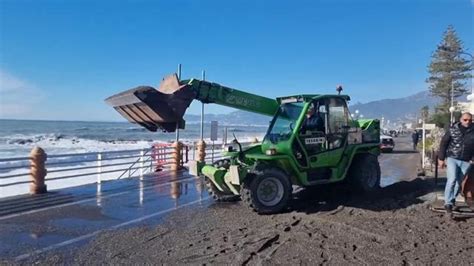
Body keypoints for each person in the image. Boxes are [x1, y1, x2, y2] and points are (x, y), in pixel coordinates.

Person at [438, 112, 474, 218]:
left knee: (458, 182)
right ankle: (448, 203)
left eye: (470, 120)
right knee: (452, 179)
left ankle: (452, 199)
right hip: (452, 158)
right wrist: (441, 158)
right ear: (461, 120)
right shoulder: (453, 129)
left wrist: (472, 159)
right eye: (465, 120)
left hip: (466, 161)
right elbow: (444, 143)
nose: (468, 122)